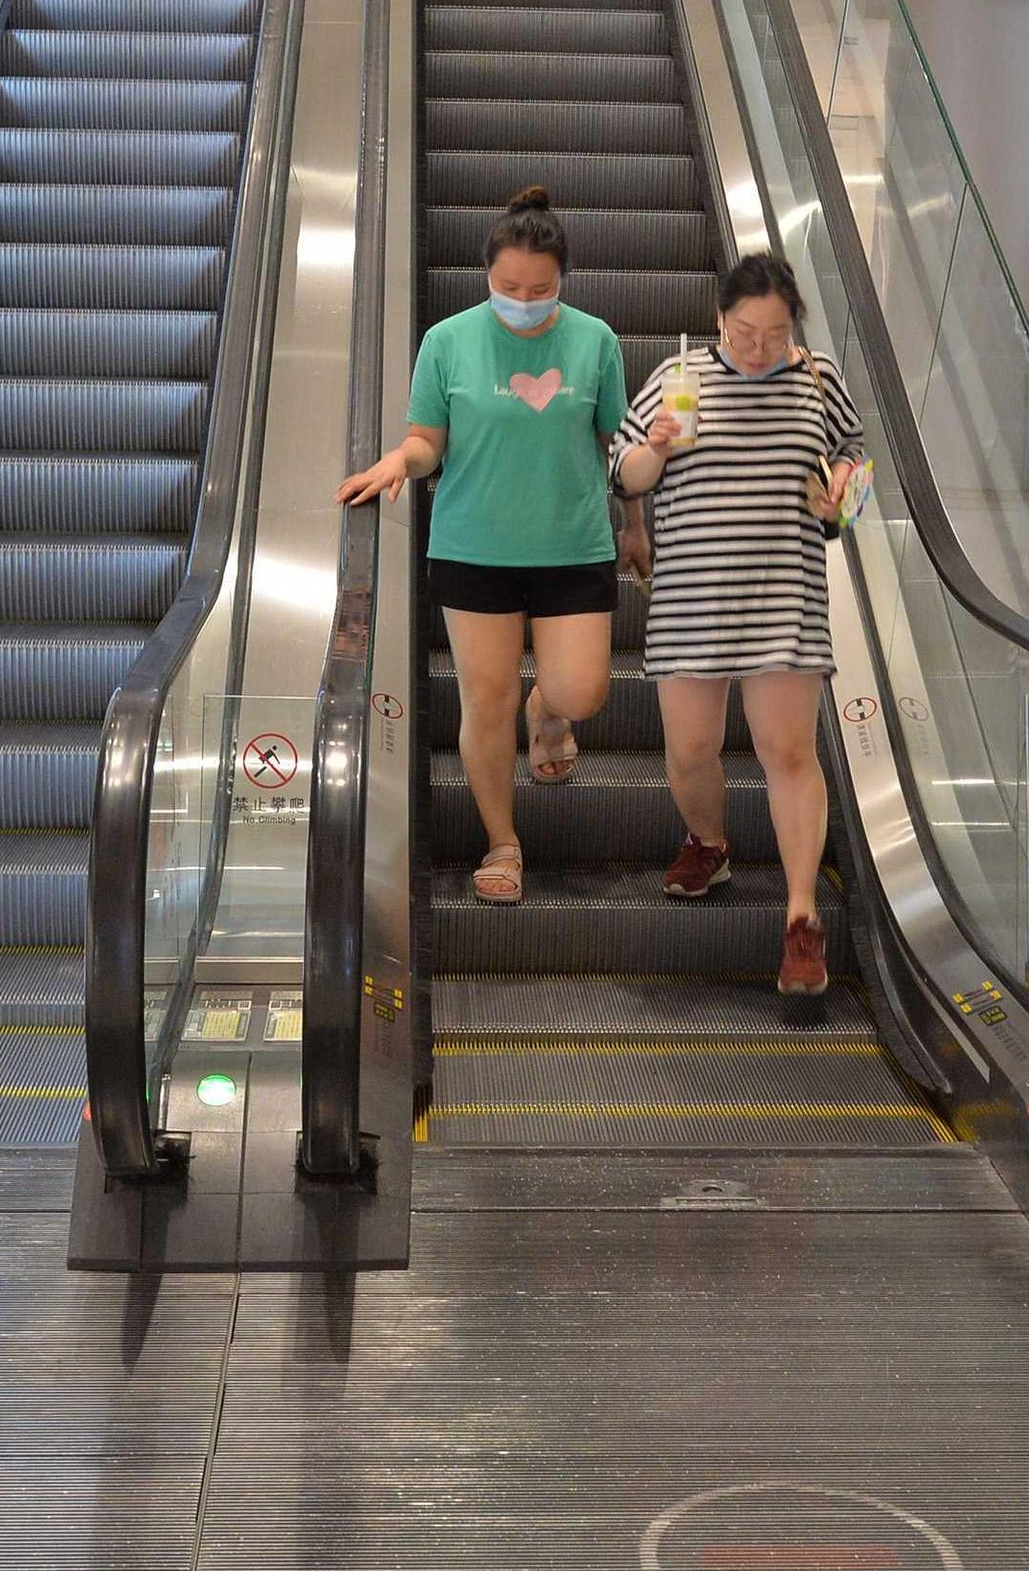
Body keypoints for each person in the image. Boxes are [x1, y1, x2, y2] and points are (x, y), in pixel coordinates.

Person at [338, 187, 626, 906]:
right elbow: (429, 441)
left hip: (574, 544)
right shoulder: (448, 341)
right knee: (485, 700)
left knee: (582, 690)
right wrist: (396, 462)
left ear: (563, 279)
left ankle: (547, 712)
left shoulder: (596, 340)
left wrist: (640, 527)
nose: (523, 301)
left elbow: (617, 442)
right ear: (485, 275)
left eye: (540, 289)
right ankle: (502, 841)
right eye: (508, 287)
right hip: (474, 548)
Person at [607, 253, 868, 998]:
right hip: (691, 598)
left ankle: (801, 920)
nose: (759, 349)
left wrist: (843, 495)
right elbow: (621, 471)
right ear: (721, 320)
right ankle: (710, 842)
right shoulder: (677, 377)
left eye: (775, 334)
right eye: (746, 332)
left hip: (785, 595)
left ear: (796, 328)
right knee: (691, 752)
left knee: (788, 753)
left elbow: (854, 461)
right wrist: (652, 449)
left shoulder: (818, 379)